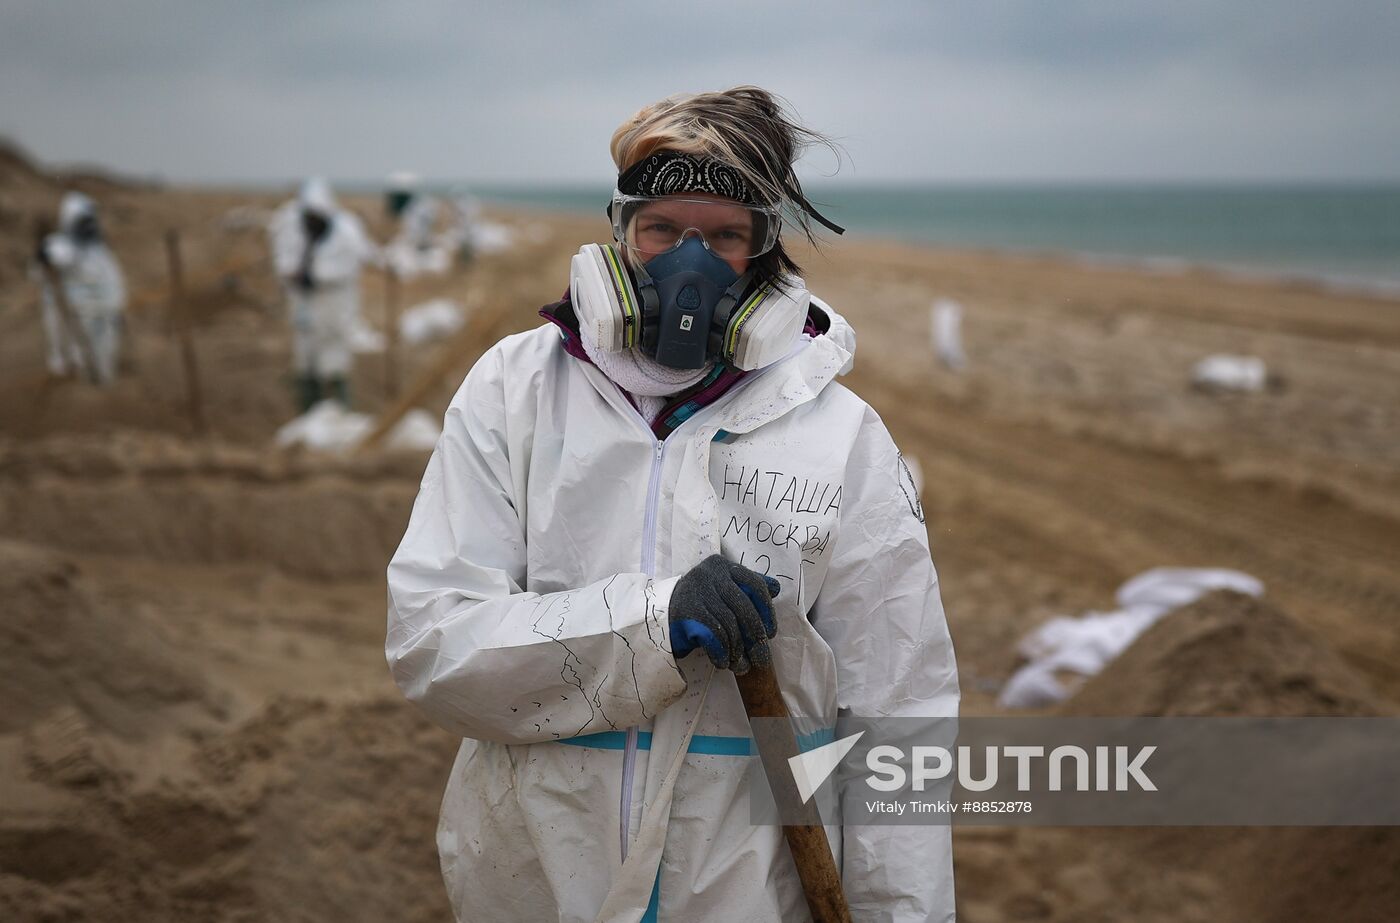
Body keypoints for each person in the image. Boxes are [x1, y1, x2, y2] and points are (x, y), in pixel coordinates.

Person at [387, 86, 959, 922]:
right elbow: (434, 642)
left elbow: (899, 711)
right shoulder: (514, 392)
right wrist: (653, 625)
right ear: (620, 235)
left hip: (746, 889)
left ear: (766, 253)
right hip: (534, 878)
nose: (688, 263)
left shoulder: (841, 438)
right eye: (662, 230)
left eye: (726, 236)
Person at [268, 177, 377, 411]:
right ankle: (309, 405)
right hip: (304, 302)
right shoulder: (291, 228)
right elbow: (283, 260)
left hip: (335, 303)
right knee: (305, 353)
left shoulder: (346, 231)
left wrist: (317, 275)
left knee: (334, 353)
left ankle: (338, 405)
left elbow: (352, 261)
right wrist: (295, 275)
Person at [34, 192, 127, 384]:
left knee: (98, 348)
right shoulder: (60, 244)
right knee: (63, 335)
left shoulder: (99, 250)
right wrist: (44, 256)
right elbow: (56, 259)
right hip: (65, 306)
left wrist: (116, 305)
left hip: (94, 309)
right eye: (84, 221)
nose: (89, 225)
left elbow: (112, 280)